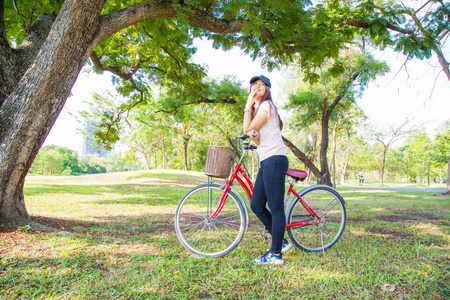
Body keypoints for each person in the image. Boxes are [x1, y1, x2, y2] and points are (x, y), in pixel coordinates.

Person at [243, 75, 292, 265]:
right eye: (254, 84)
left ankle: (276, 254)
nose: (257, 87)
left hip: (275, 159)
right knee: (256, 205)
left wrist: (249, 101)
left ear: (268, 89)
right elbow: (251, 132)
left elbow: (248, 127)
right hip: (267, 161)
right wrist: (252, 133)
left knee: (276, 208)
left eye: (262, 85)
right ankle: (282, 241)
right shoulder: (258, 110)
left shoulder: (266, 106)